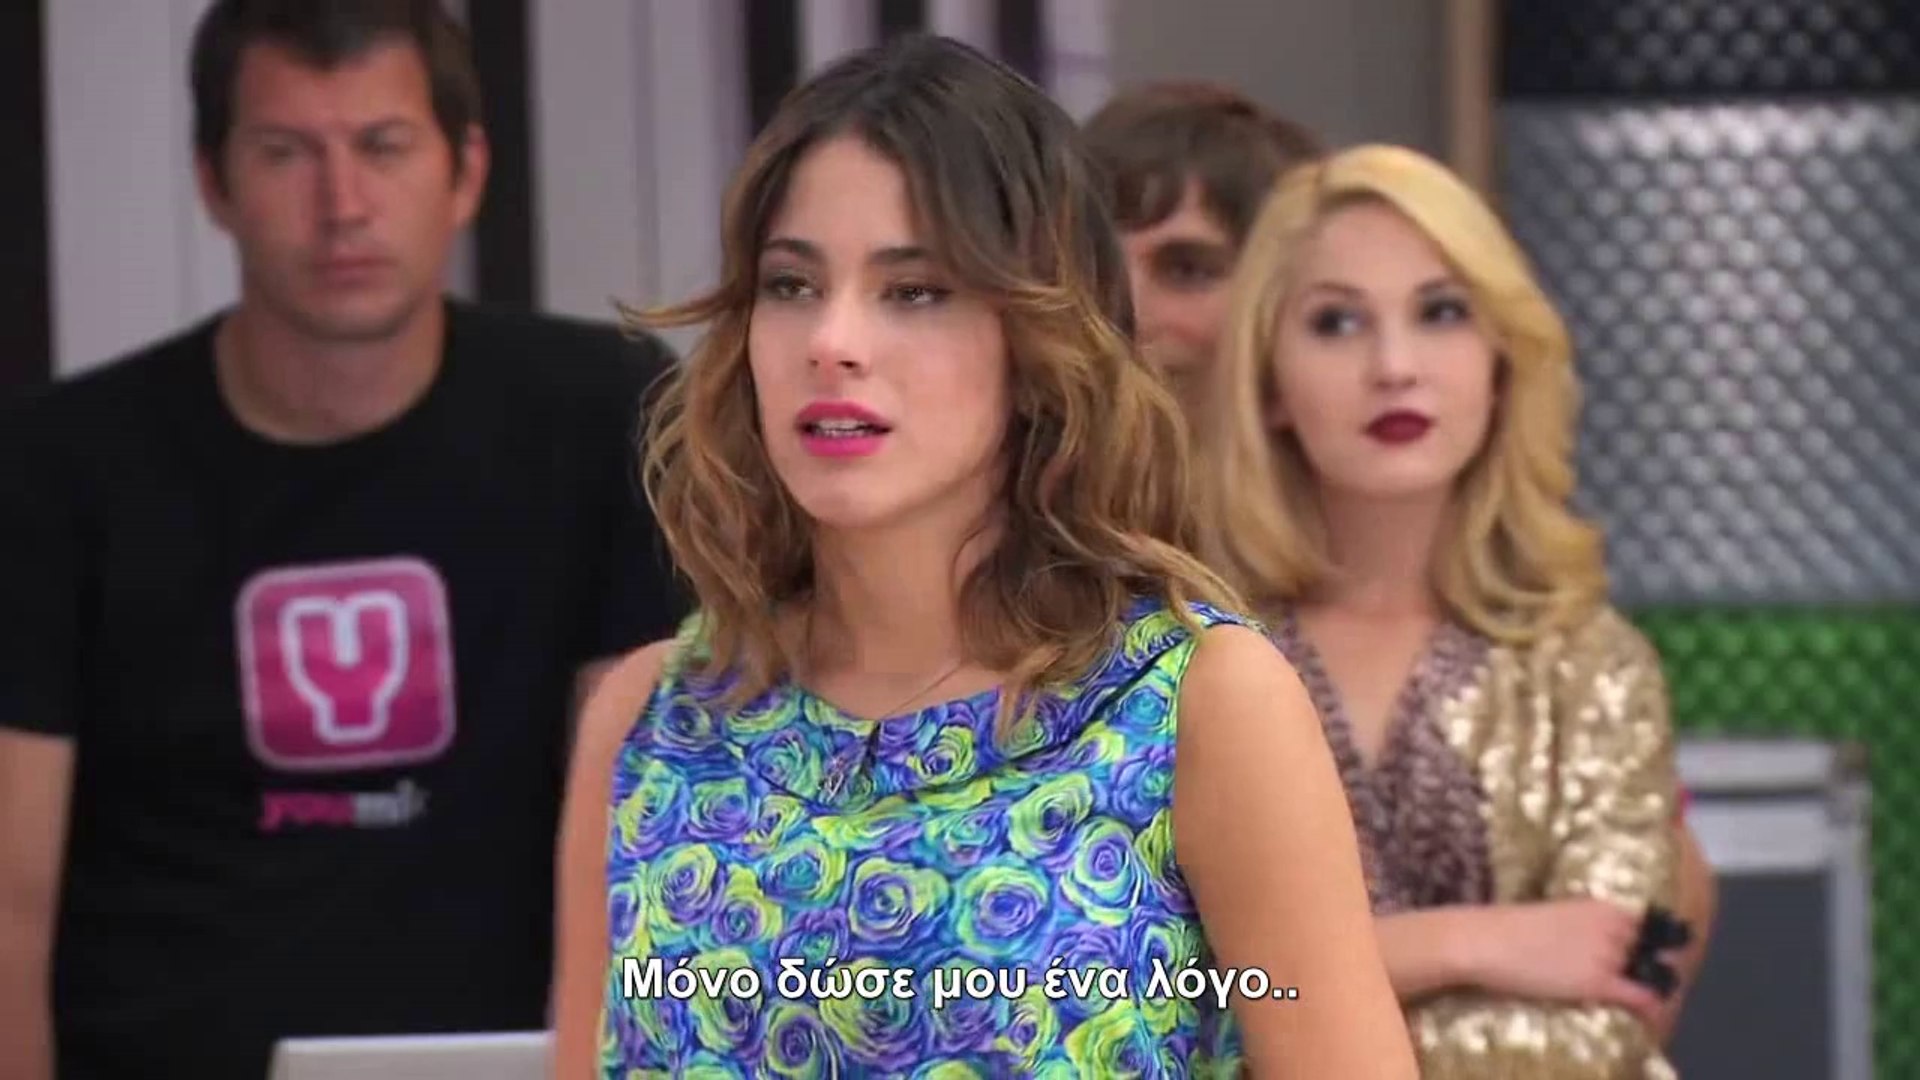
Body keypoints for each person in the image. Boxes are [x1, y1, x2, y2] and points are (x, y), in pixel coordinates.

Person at [552, 34, 1417, 1078]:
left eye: (914, 290)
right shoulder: (649, 721)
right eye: (791, 284)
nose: (832, 340)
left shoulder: (1198, 705)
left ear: (1040, 339)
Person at [0, 3, 685, 1078]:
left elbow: (638, 839)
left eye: (383, 146)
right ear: (214, 182)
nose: (342, 205)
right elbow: (9, 905)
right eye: (286, 153)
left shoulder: (604, 415)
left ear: (465, 172)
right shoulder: (57, 466)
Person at [1086, 82, 1717, 1045]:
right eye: (1338, 322)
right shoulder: (1166, 651)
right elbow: (1113, 987)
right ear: (1271, 372)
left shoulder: (1592, 664)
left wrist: (1279, 998)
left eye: (1441, 312)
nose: (1394, 366)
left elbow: (1629, 989)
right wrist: (1472, 944)